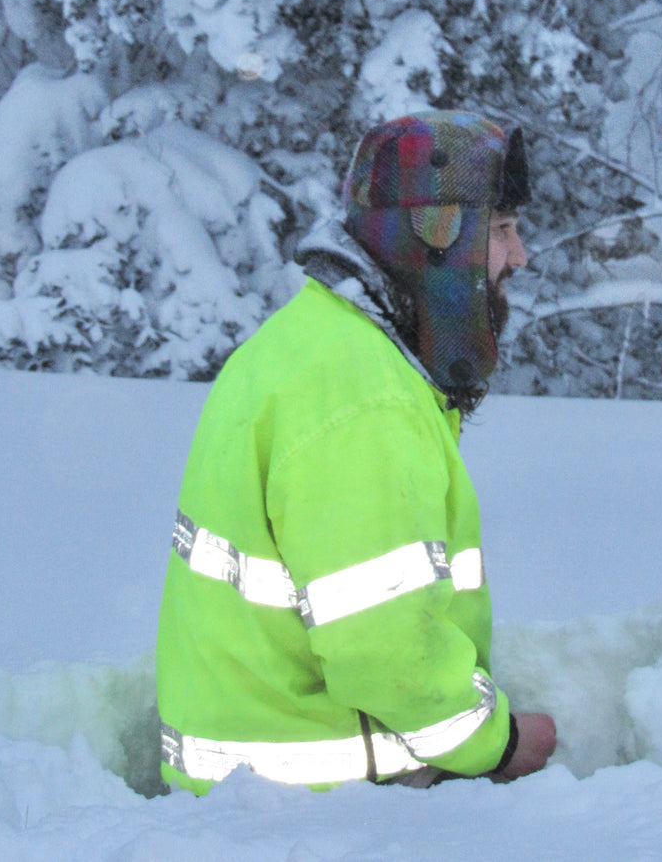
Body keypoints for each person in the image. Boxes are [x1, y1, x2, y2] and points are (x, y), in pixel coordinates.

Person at [156, 110, 557, 792]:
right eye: (499, 230)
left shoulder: (320, 340)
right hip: (309, 810)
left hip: (259, 790)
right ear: (437, 242)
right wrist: (500, 741)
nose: (519, 256)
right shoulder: (363, 400)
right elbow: (383, 648)